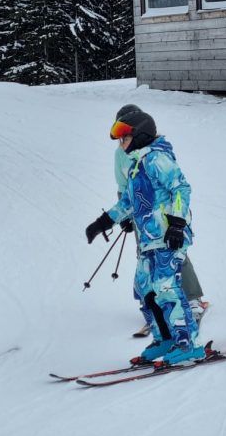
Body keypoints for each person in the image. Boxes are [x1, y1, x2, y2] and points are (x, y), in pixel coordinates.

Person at [86, 104, 206, 365]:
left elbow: (180, 188)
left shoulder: (156, 159)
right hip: (150, 241)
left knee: (166, 287)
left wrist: (176, 224)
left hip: (167, 236)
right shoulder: (136, 166)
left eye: (124, 138)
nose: (121, 145)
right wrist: (102, 223)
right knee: (144, 288)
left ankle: (188, 344)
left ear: (140, 135)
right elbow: (128, 203)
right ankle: (165, 338)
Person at [113, 106, 208, 336]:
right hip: (142, 217)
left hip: (166, 215)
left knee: (174, 255)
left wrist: (177, 221)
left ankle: (192, 299)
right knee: (145, 259)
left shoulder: (157, 152)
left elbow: (177, 186)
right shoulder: (120, 154)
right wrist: (124, 216)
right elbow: (123, 186)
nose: (122, 140)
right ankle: (158, 310)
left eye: (126, 133)